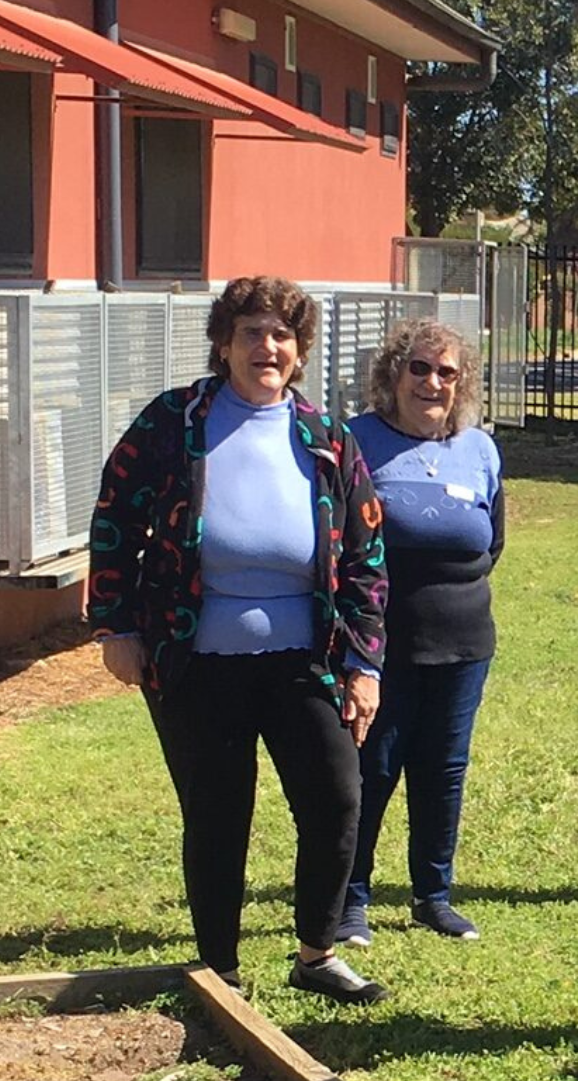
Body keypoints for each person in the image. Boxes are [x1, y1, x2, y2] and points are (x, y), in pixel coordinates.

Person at [86, 274, 390, 1003]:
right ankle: (220, 971)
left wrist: (364, 662)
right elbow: (114, 518)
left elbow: (367, 555)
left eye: (283, 334)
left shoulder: (326, 437)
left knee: (336, 798)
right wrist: (116, 625)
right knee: (219, 812)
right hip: (196, 658)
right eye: (251, 332)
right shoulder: (174, 421)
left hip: (306, 659)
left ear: (299, 351)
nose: (268, 347)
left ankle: (316, 954)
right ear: (223, 344)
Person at [338, 319, 504, 946]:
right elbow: (338, 544)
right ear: (394, 372)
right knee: (372, 769)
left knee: (444, 769)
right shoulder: (357, 440)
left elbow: (492, 542)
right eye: (420, 368)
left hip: (463, 643)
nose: (432, 382)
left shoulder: (479, 449)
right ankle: (349, 899)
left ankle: (433, 896)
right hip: (380, 645)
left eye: (446, 372)